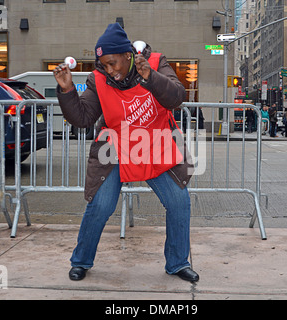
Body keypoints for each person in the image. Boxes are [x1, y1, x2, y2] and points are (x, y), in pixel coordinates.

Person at [53, 23, 199, 283]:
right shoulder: (98, 78)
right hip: (116, 148)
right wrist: (67, 91)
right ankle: (81, 260)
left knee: (179, 201)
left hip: (154, 145)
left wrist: (151, 76)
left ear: (128, 55)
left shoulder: (155, 61)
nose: (110, 70)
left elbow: (176, 97)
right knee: (100, 205)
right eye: (104, 65)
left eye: (113, 63)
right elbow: (84, 117)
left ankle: (177, 262)